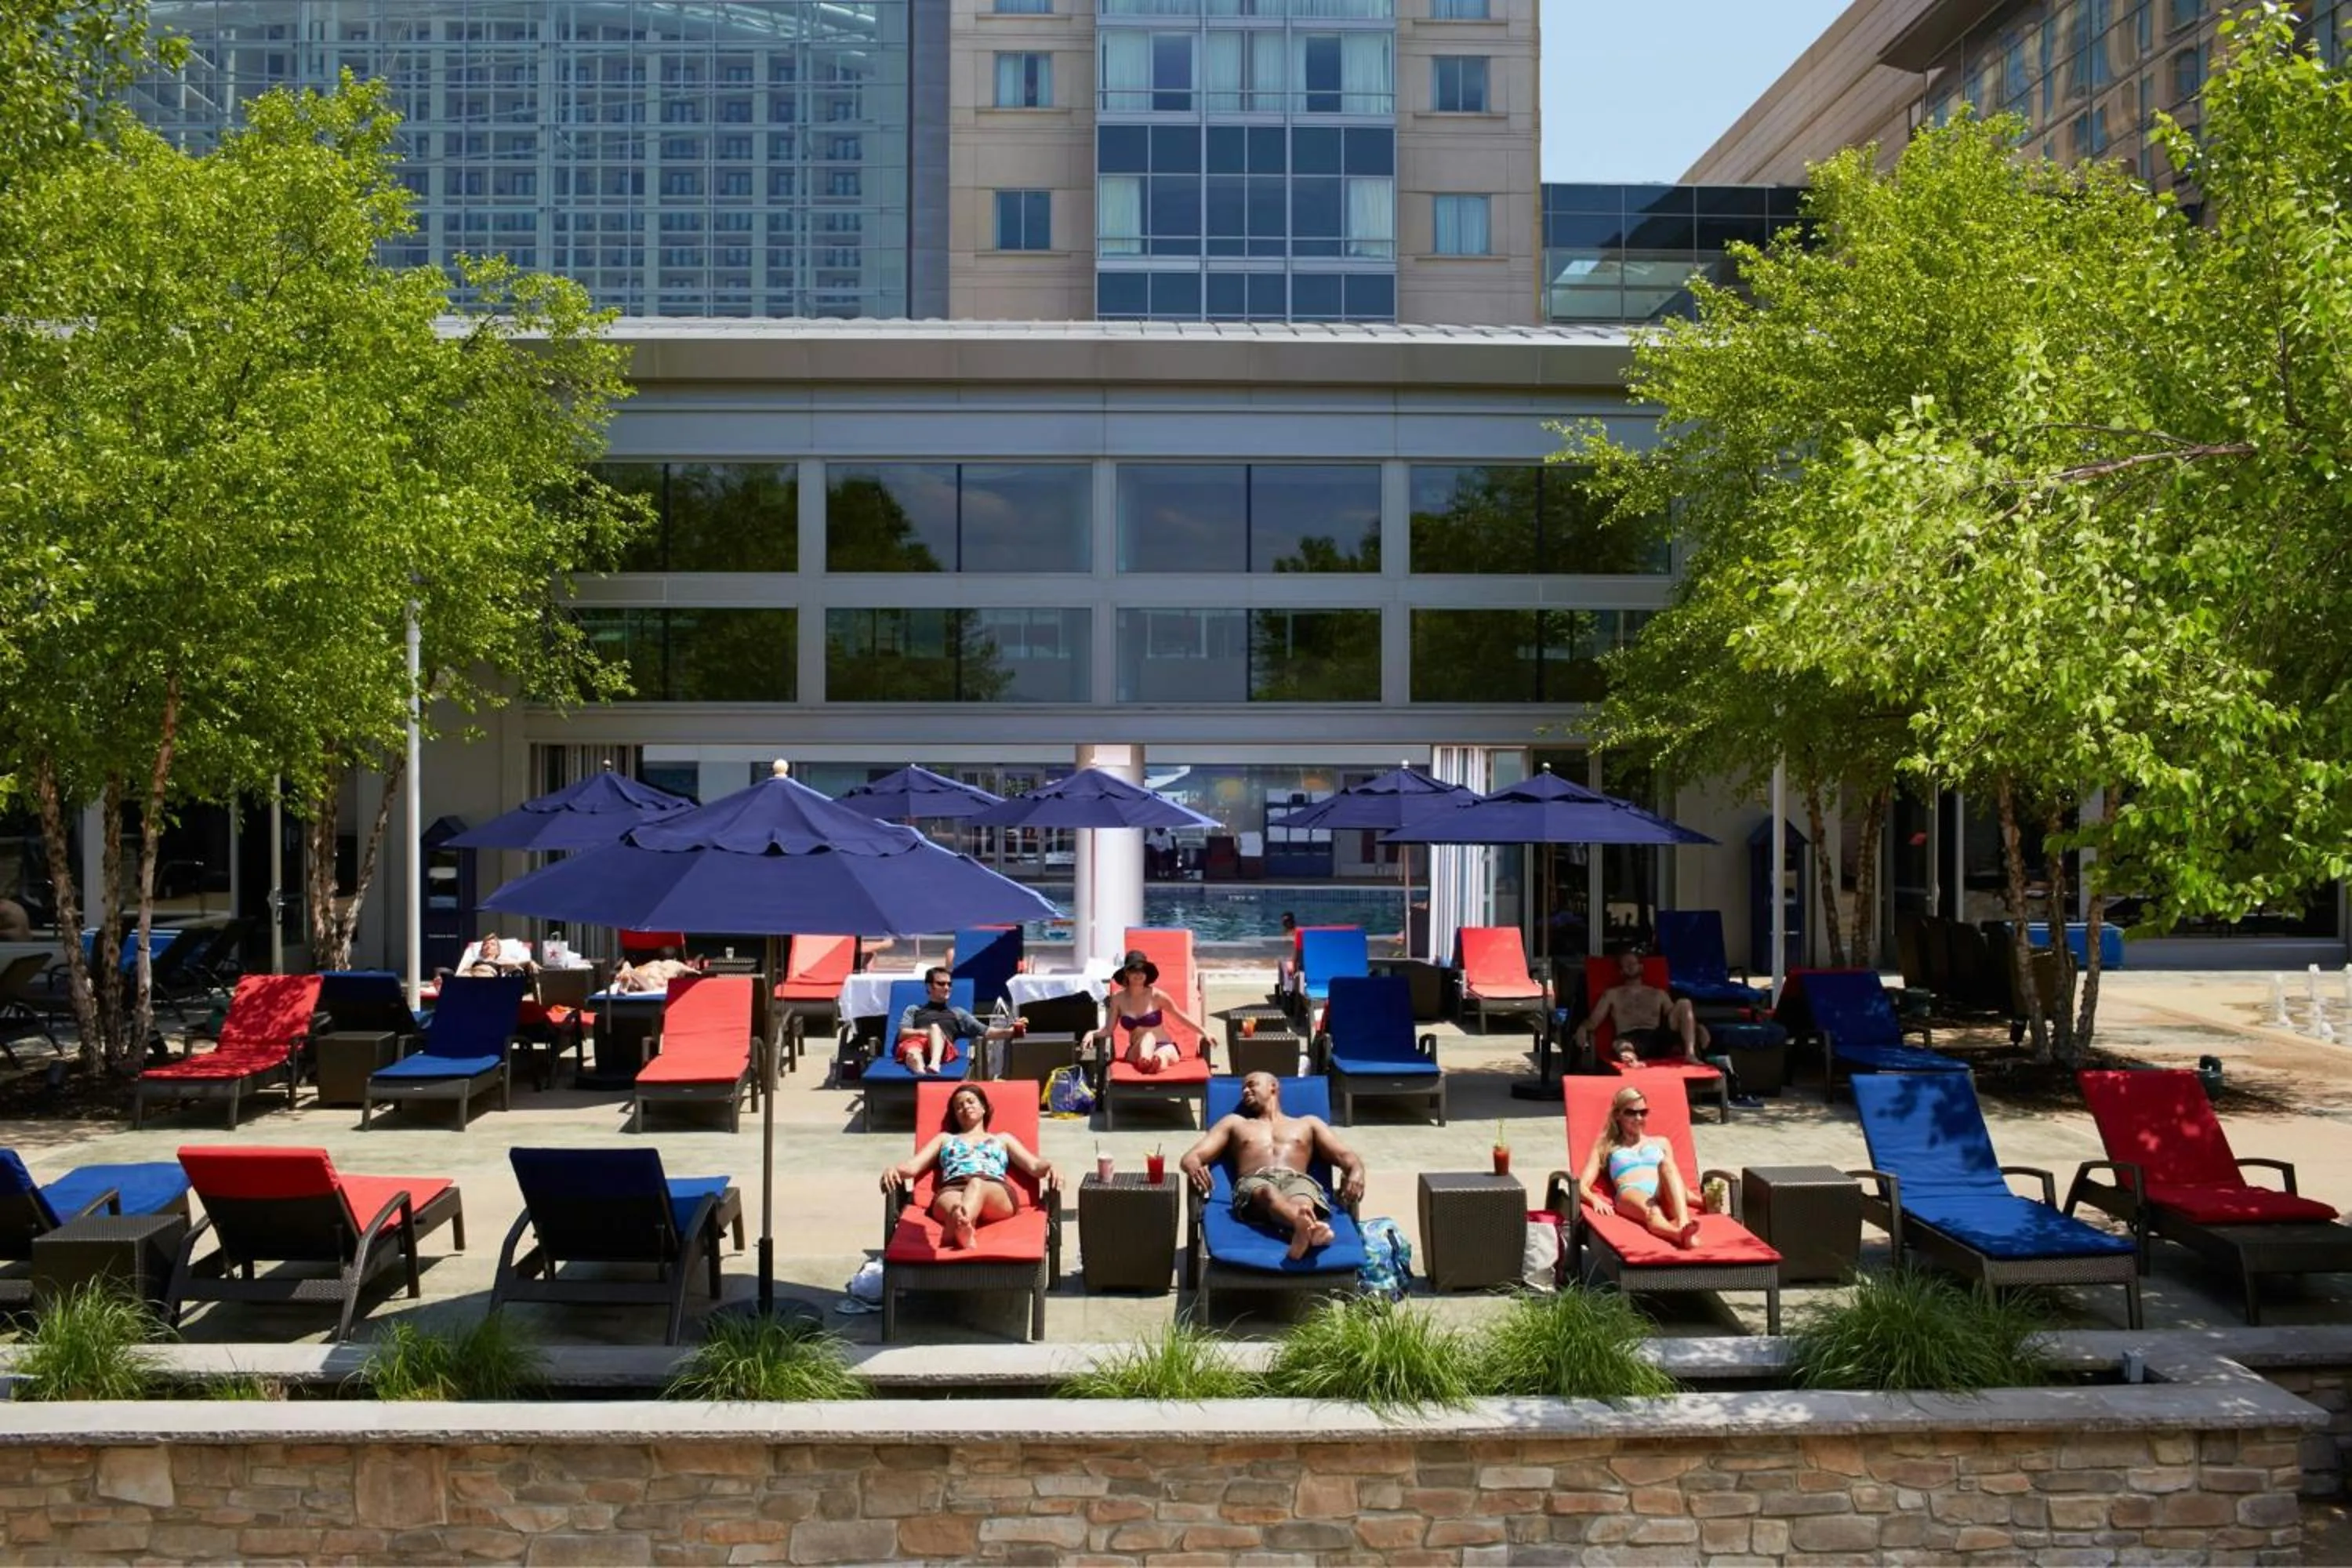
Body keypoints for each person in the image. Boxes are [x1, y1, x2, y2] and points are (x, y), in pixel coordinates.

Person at [1181, 1071, 1367, 1261]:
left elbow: (1345, 1155)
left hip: (1296, 1179)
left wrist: (1357, 1171)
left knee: (1303, 1203)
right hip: (1255, 1182)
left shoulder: (1308, 1123)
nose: (1245, 1091)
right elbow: (1192, 1156)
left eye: (1252, 1085)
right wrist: (1194, 1165)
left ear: (1273, 1087)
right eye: (1243, 1088)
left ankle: (1301, 1234)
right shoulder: (1235, 1123)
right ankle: (1307, 1230)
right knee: (1269, 1193)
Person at [880, 1083, 1059, 1250]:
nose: (965, 1107)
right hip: (952, 1189)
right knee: (956, 1208)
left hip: (994, 1190)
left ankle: (954, 1232)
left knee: (976, 1184)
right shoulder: (945, 1139)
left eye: (971, 1101)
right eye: (959, 1106)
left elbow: (1034, 1165)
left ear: (984, 1108)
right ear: (955, 1115)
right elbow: (913, 1166)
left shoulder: (1002, 1139)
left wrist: (1050, 1167)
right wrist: (894, 1169)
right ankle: (963, 1227)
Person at [1574, 950, 1759, 1108]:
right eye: (1626, 964)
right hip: (1629, 1037)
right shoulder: (1612, 994)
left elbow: (1678, 1018)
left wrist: (1699, 1027)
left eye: (1634, 963)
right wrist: (1583, 1028)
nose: (1630, 966)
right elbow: (1594, 1020)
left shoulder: (1658, 994)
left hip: (1657, 1037)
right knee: (1622, 1045)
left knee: (1685, 1003)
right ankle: (1632, 1063)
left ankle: (1690, 1054)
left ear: (1642, 967)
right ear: (1621, 971)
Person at [1576, 1084, 1701, 1249]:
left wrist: (1702, 1202)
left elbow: (1676, 1184)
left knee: (1667, 1164)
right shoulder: (1605, 1146)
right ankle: (1678, 1234)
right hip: (1631, 1192)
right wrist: (1595, 1201)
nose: (1638, 1118)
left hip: (1662, 1193)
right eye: (1631, 1112)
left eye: (1643, 1112)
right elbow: (1581, 1185)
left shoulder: (1661, 1142)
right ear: (1618, 1115)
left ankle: (1683, 1222)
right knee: (1652, 1211)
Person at [1087, 950, 1205, 1076]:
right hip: (1136, 1050)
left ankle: (1154, 1063)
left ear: (1146, 974)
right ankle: (1147, 1061)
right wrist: (1092, 1034)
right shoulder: (1118, 999)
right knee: (1149, 1037)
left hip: (1164, 1045)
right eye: (1134, 971)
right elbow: (1108, 1030)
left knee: (1162, 1055)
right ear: (1127, 973)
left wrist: (1204, 1032)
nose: (1139, 974)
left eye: (1142, 971)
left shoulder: (1157, 995)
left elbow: (1180, 1016)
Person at [894, 966, 1018, 1074]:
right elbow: (903, 1034)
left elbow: (987, 1032)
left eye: (949, 984)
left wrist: (1013, 1031)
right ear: (929, 987)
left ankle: (934, 1064)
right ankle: (922, 1076)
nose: (947, 988)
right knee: (913, 1054)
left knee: (935, 1028)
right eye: (941, 984)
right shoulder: (914, 1010)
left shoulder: (958, 1013)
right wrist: (925, 1033)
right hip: (916, 1045)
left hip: (942, 1049)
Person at [611, 945, 699, 993]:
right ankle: (630, 974)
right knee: (650, 986)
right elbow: (694, 972)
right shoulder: (676, 964)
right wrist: (698, 970)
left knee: (636, 982)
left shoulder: (654, 963)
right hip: (653, 981)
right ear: (675, 958)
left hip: (642, 971)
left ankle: (628, 970)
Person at [459, 931, 539, 978]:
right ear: (481, 950)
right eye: (485, 944)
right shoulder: (473, 961)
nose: (488, 946)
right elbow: (462, 974)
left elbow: (519, 964)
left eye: (492, 944)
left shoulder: (500, 963)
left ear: (498, 951)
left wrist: (530, 962)